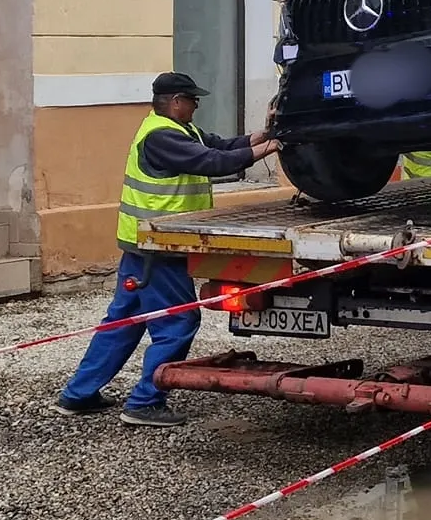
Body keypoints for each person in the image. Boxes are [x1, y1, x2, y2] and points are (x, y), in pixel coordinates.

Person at [56, 72, 277, 427]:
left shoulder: (177, 130)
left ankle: (78, 394)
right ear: (176, 102)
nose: (196, 106)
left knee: (123, 322)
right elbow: (212, 162)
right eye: (193, 101)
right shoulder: (162, 137)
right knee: (178, 321)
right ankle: (144, 402)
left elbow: (221, 146)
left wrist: (264, 135)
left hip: (144, 245)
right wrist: (272, 148)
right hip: (159, 246)